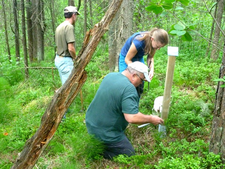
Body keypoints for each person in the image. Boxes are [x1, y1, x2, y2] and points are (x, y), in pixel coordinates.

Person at [85, 61, 164, 160]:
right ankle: (98, 149)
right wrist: (151, 119)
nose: (141, 83)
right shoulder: (129, 88)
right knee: (129, 154)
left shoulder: (111, 76)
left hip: (91, 123)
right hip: (105, 132)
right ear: (134, 75)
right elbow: (132, 117)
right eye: (141, 80)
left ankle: (95, 141)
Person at [118, 28, 169, 96]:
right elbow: (127, 59)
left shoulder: (154, 43)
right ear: (152, 39)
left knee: (140, 79)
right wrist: (136, 71)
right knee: (126, 82)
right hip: (126, 58)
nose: (158, 49)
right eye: (157, 46)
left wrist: (151, 70)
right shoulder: (138, 42)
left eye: (160, 47)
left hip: (138, 57)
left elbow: (150, 57)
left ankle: (135, 102)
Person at [55, 6, 80, 85]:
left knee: (65, 87)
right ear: (73, 15)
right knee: (69, 88)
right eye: (76, 15)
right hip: (65, 61)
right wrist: (75, 59)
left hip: (59, 59)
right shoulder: (69, 27)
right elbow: (71, 48)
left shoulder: (59, 26)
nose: (76, 17)